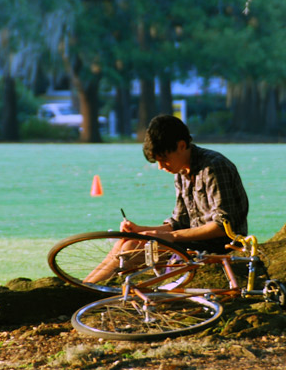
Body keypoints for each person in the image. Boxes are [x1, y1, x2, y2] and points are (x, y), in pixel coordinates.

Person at [85, 114, 249, 283]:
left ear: (182, 146)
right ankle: (83, 287)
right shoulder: (181, 170)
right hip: (191, 242)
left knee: (131, 248)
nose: (161, 167)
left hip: (220, 246)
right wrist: (140, 230)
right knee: (127, 241)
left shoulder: (213, 167)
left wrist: (173, 237)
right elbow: (179, 222)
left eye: (164, 160)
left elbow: (224, 226)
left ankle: (91, 291)